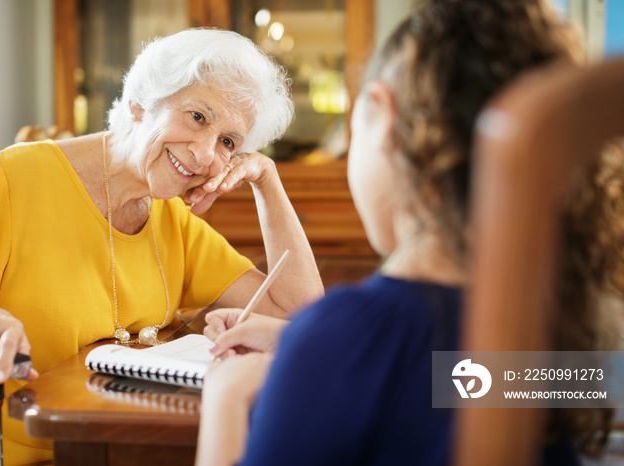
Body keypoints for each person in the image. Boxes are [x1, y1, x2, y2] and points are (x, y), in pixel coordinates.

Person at [196, 1, 623, 465]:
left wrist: (226, 397)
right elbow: (461, 378)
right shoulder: (544, 326)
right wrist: (302, 344)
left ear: (381, 113)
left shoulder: (347, 334)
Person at [0, 28, 324, 465]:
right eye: (197, 117)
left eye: (229, 142)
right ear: (139, 101)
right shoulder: (14, 178)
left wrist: (267, 181)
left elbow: (299, 314)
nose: (207, 153)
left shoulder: (171, 217)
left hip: (110, 448)